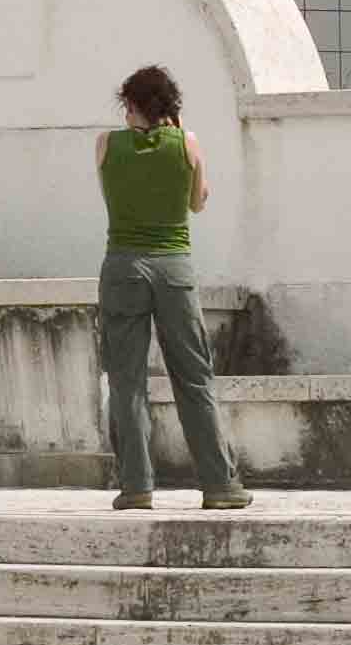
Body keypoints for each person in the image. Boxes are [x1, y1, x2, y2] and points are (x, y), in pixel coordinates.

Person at [95, 65, 252, 512]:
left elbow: (112, 196)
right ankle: (220, 485)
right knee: (194, 377)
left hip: (124, 265)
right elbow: (198, 202)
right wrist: (180, 140)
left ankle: (136, 486)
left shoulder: (106, 145)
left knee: (127, 380)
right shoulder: (188, 144)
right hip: (174, 269)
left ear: (132, 104)